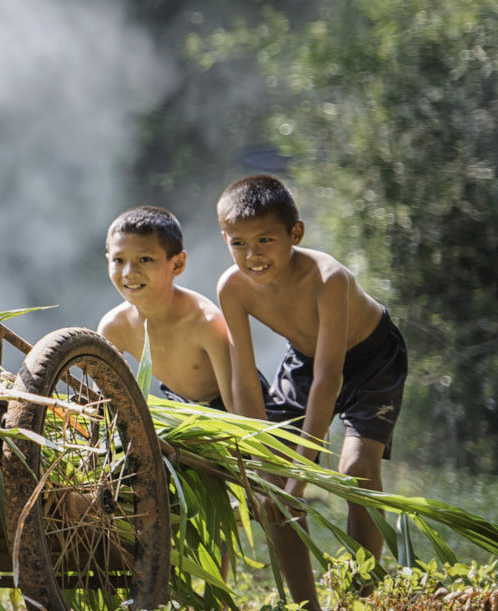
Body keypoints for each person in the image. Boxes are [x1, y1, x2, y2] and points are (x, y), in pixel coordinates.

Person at [217, 173, 407, 567]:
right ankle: (308, 606)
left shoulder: (328, 278)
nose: (253, 255)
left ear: (295, 233)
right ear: (226, 241)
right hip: (305, 360)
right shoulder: (232, 288)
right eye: (239, 243)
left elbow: (329, 379)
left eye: (265, 240)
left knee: (356, 466)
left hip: (371, 358)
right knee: (275, 482)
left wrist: (300, 478)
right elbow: (243, 379)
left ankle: (364, 586)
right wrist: (263, 461)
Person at [97, 206, 244, 410]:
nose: (129, 272)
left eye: (145, 259)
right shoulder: (114, 327)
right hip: (180, 407)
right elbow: (104, 402)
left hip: (233, 407)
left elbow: (241, 412)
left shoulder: (205, 322)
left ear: (177, 264)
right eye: (118, 261)